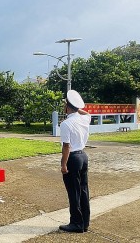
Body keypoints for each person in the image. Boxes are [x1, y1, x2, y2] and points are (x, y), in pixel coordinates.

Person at [59, 90, 91, 233]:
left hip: (73, 158)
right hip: (83, 157)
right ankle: (84, 222)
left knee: (73, 192)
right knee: (83, 190)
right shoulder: (85, 119)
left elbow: (66, 146)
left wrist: (63, 164)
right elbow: (86, 113)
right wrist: (77, 108)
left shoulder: (66, 124)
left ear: (67, 107)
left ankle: (76, 223)